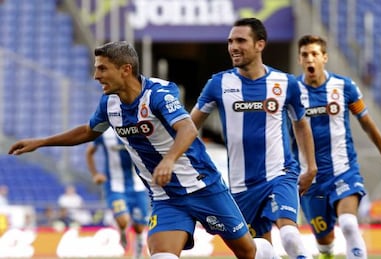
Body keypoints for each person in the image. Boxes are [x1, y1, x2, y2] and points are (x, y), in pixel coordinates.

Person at [8, 41, 277, 259]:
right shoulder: (109, 104)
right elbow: (89, 131)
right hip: (166, 197)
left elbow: (188, 129)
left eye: (102, 69)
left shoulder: (158, 94)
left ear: (125, 69)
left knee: (248, 253)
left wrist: (169, 161)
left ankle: (269, 253)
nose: (96, 76)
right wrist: (41, 142)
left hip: (203, 188)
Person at [191, 17, 317, 259]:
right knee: (259, 251)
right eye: (230, 41)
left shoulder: (285, 83)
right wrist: (188, 160)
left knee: (290, 236)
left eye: (241, 40)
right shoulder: (218, 84)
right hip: (240, 185)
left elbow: (301, 125)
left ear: (260, 44)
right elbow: (188, 127)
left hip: (280, 173)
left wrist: (310, 167)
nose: (233, 47)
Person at [294, 34, 381, 259]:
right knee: (324, 242)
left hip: (343, 171)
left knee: (348, 224)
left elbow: (367, 124)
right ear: (299, 59)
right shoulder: (291, 91)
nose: (310, 59)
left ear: (324, 57)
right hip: (309, 179)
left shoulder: (344, 87)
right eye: (305, 55)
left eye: (314, 54)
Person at [85, 127, 149, 259]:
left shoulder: (137, 128)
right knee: (123, 219)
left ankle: (137, 253)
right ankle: (122, 230)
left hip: (138, 186)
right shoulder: (104, 132)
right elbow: (90, 152)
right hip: (115, 186)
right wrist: (95, 174)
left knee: (139, 227)